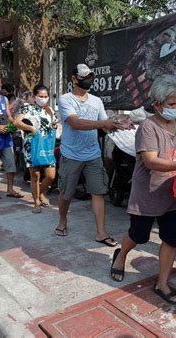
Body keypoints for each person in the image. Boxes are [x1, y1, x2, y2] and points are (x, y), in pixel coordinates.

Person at [110, 75, 176, 305]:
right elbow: (151, 161)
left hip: (174, 193)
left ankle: (162, 283)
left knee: (171, 239)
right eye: (170, 104)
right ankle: (121, 254)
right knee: (138, 235)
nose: (175, 108)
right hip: (149, 194)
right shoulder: (148, 127)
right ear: (157, 104)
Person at [55, 63, 125, 240]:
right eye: (84, 78)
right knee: (66, 193)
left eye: (90, 78)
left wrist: (118, 125)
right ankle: (62, 221)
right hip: (70, 154)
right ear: (74, 79)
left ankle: (101, 232)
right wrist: (104, 124)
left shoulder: (96, 101)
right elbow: (75, 123)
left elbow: (105, 123)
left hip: (93, 154)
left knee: (98, 192)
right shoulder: (65, 99)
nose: (88, 81)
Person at [13, 85, 57, 213]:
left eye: (45, 96)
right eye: (40, 96)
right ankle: (36, 202)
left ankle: (41, 193)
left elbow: (54, 123)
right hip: (31, 145)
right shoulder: (27, 107)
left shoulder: (50, 110)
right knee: (35, 176)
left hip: (47, 146)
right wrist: (31, 129)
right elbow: (17, 122)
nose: (43, 99)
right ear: (34, 97)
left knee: (51, 175)